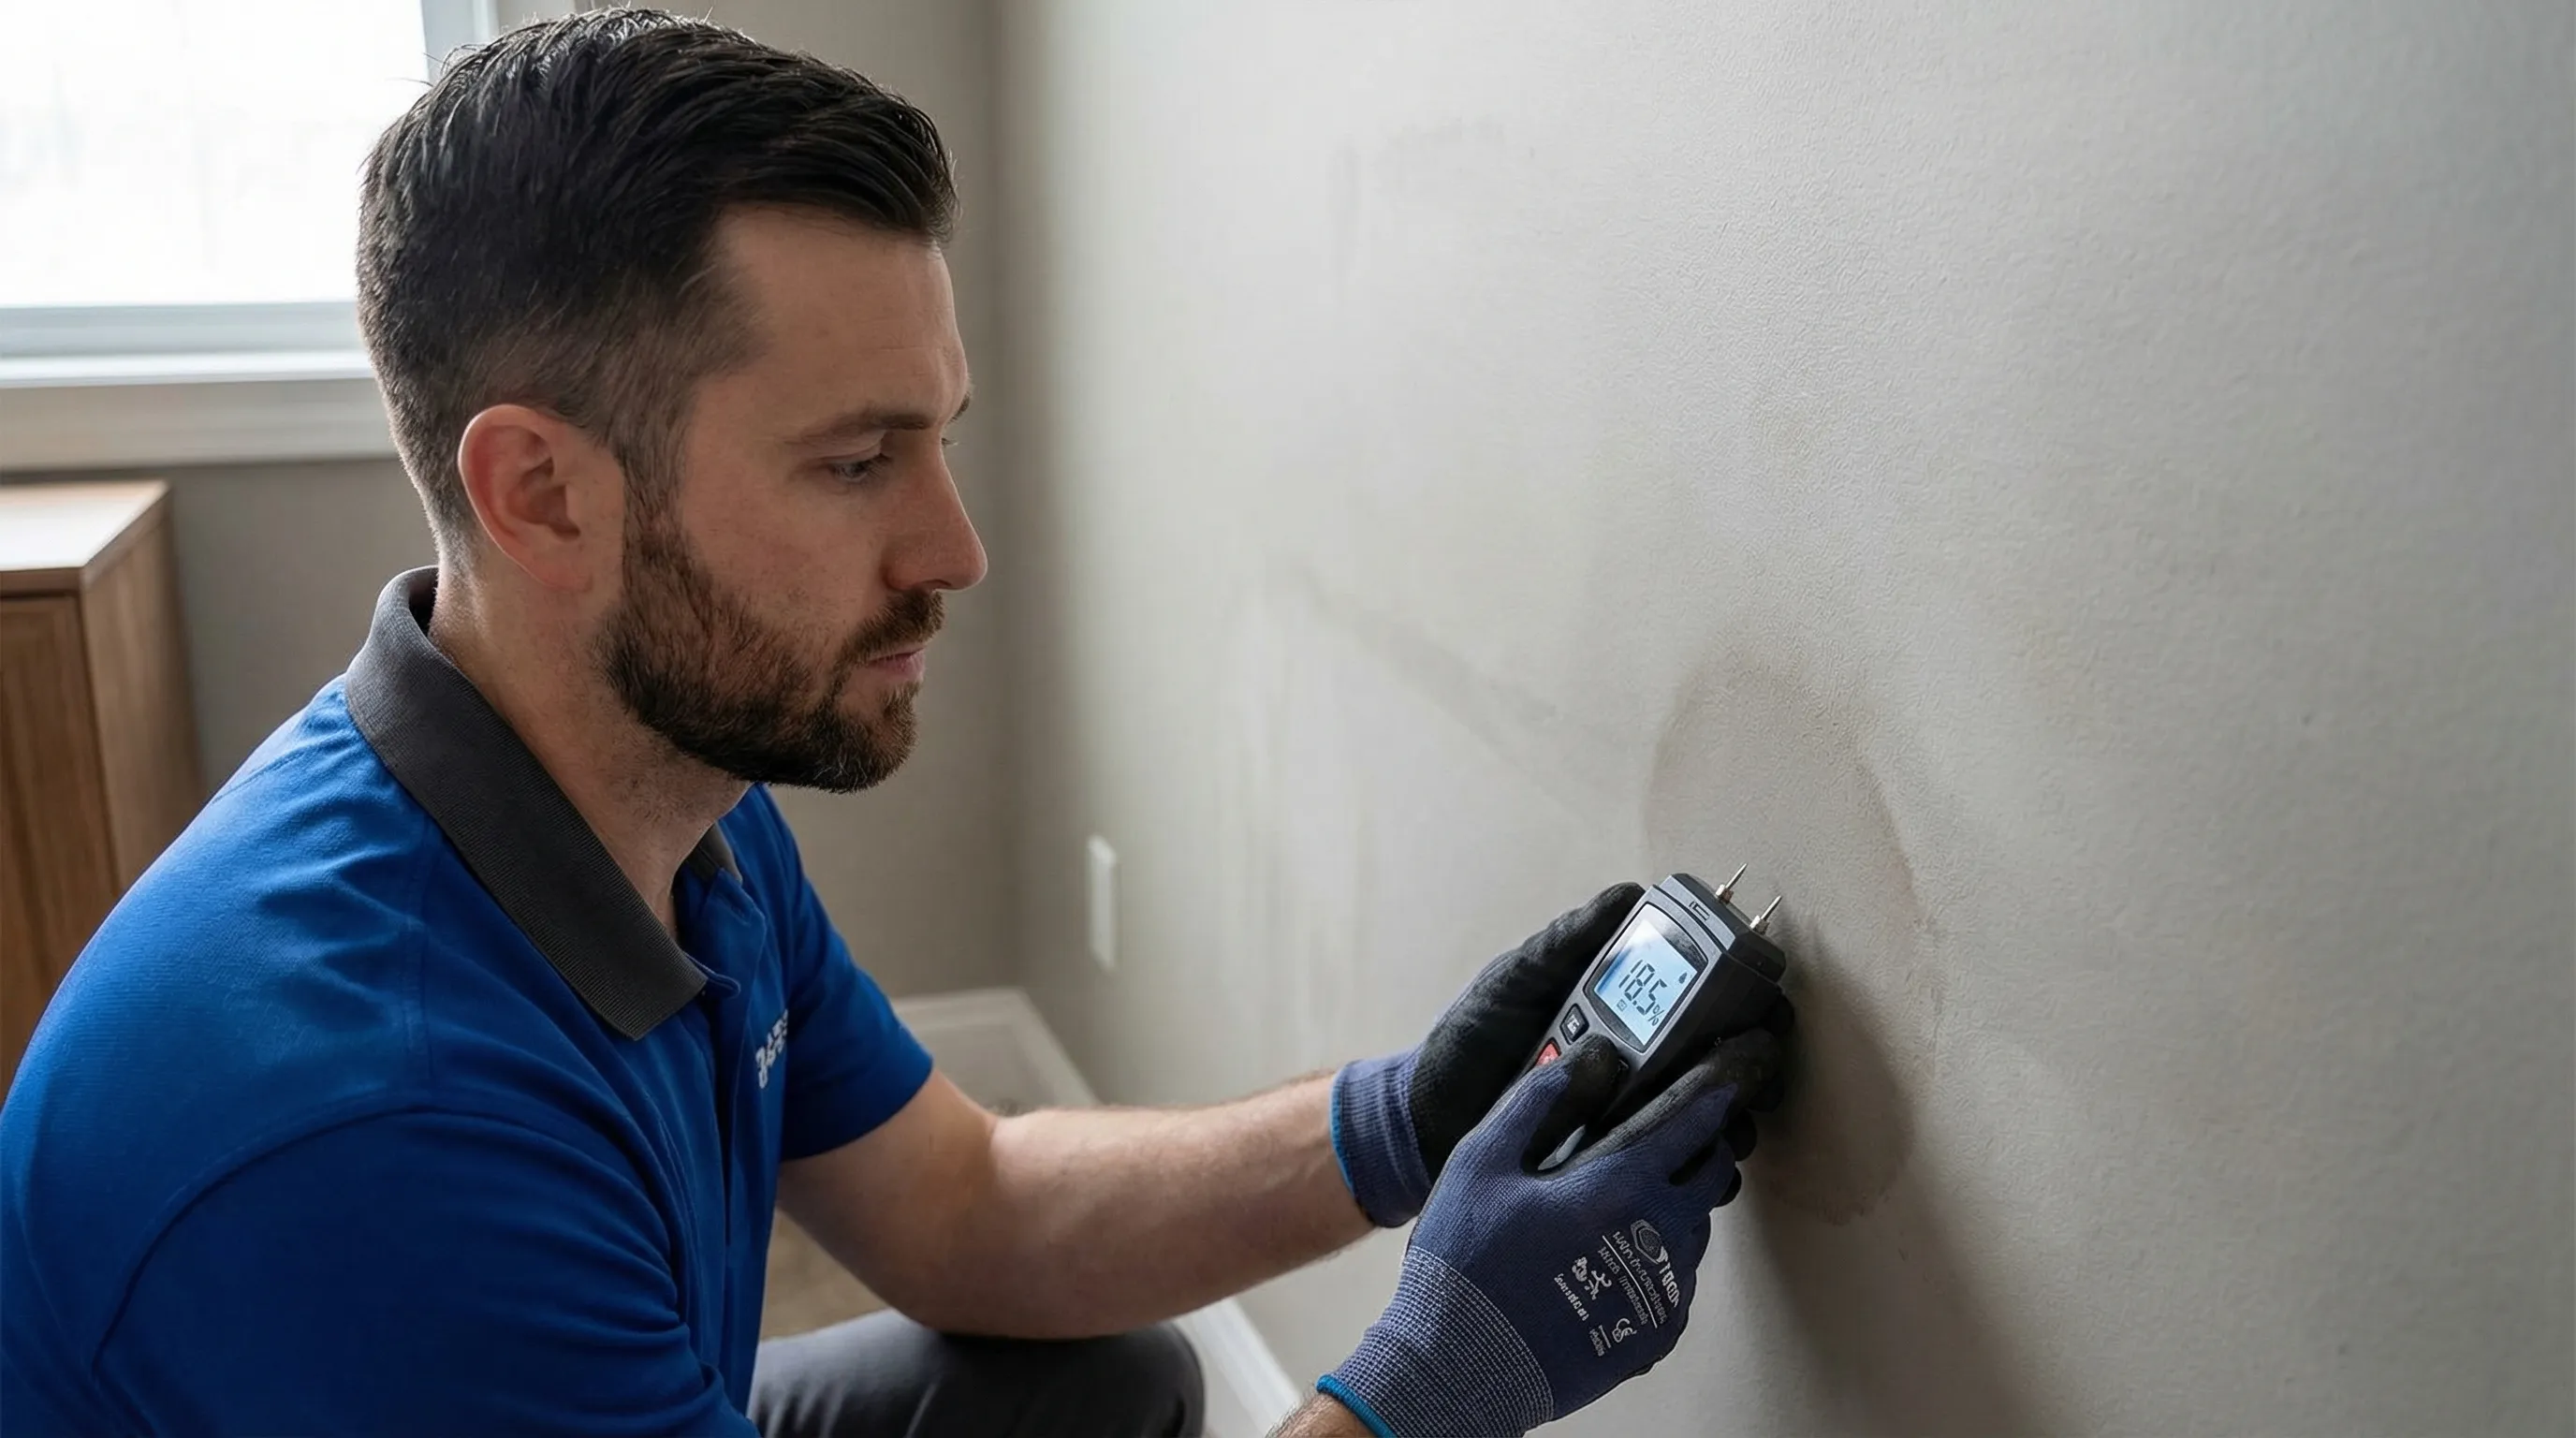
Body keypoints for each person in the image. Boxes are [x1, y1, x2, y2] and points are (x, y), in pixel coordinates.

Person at [0, 12, 1790, 1437]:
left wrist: (1396, 1124)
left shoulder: (667, 802)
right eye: (857, 463)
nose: (956, 550)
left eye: (934, 436)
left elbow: (966, 1200)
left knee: (1103, 1382)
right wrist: (1432, 1389)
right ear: (543, 493)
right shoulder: (366, 1144)